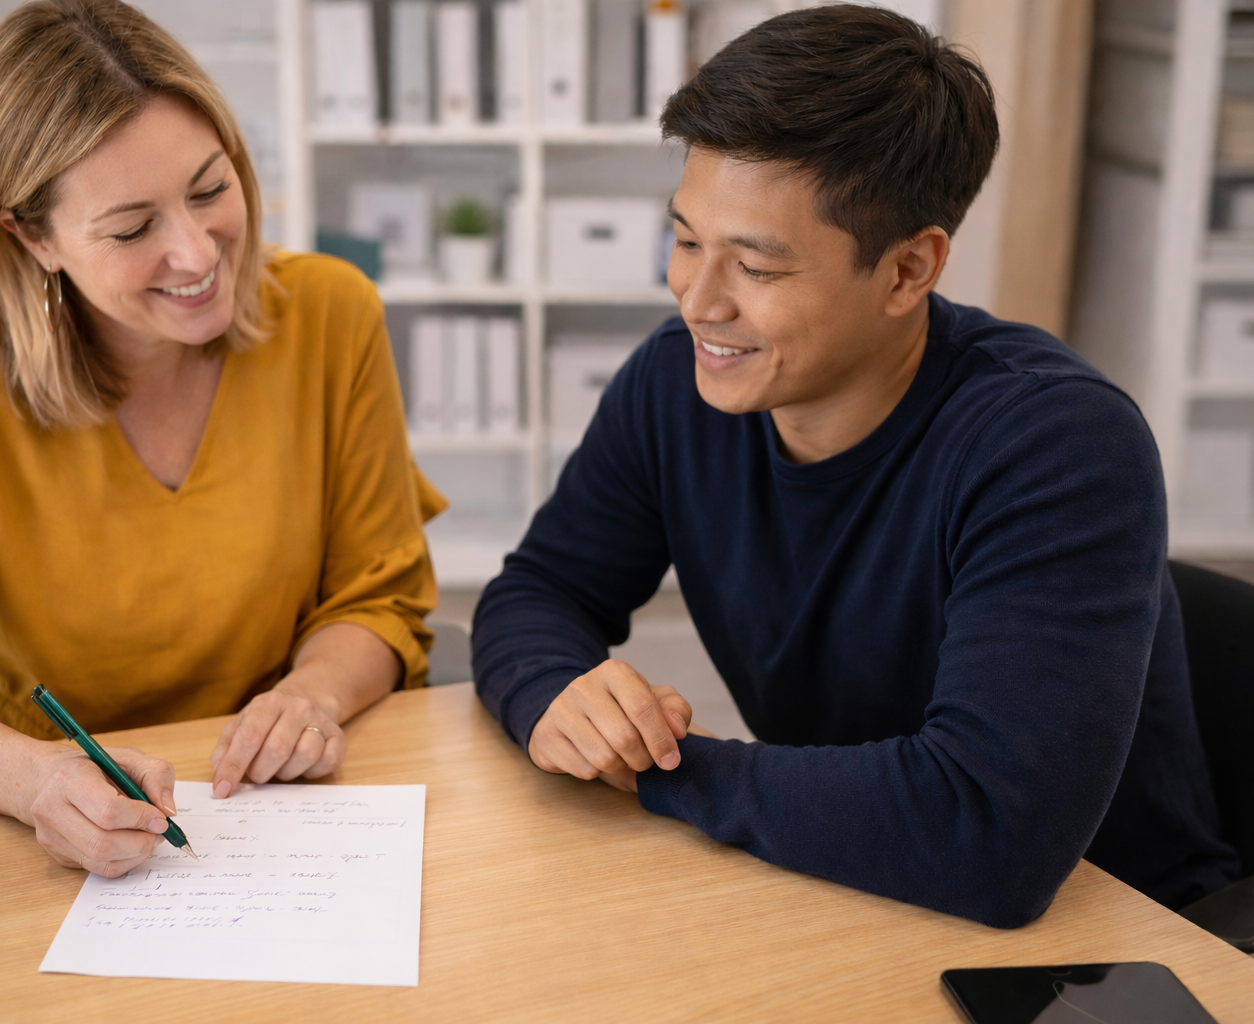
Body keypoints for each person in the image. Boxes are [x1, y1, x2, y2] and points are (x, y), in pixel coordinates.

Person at [471, 5, 1239, 928]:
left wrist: (662, 770)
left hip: (1113, 936)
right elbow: (539, 589)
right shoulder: (676, 388)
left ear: (910, 270)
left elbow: (988, 834)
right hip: (855, 883)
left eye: (755, 267)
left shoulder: (1057, 446)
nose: (697, 300)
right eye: (685, 241)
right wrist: (556, 695)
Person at [0, 0, 443, 879]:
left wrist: (310, 694)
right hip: (34, 824)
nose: (200, 254)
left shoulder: (330, 315)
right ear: (31, 235)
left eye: (211, 188)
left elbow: (379, 599)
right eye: (132, 229)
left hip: (277, 808)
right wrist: (33, 777)